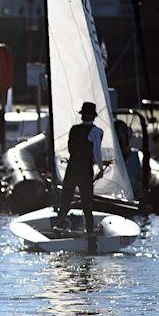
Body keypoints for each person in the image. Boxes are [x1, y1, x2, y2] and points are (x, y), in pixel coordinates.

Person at [55, 102, 103, 253]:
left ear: (82, 115)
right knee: (87, 205)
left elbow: (71, 149)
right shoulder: (97, 131)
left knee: (66, 200)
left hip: (72, 168)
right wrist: (100, 167)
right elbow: (96, 151)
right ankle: (90, 237)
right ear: (93, 117)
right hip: (85, 170)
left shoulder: (74, 130)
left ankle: (58, 230)